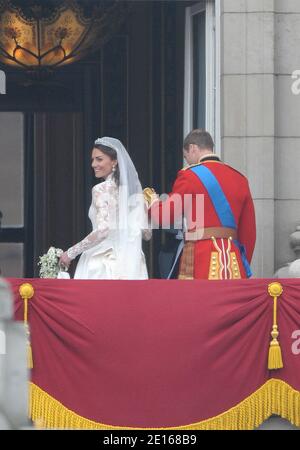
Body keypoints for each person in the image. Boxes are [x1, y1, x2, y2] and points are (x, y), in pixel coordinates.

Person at [144, 129, 256, 280]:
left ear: (193, 148)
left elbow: (166, 216)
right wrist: (242, 262)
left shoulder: (190, 175)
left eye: (186, 156)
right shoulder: (240, 179)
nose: (187, 161)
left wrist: (153, 202)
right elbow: (249, 233)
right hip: (234, 262)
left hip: (201, 259)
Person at [59, 137, 150, 279]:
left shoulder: (101, 189)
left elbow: (103, 231)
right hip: (132, 263)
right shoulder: (135, 194)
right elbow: (147, 234)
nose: (94, 164)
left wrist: (70, 253)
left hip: (104, 261)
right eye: (93, 160)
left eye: (99, 159)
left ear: (114, 161)